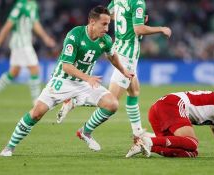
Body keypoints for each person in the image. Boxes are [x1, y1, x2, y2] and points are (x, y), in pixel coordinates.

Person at [0, 5, 133, 157]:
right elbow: (67, 66)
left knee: (112, 104)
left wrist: (123, 70)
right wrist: (88, 77)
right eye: (104, 24)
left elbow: (112, 56)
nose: (107, 28)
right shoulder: (75, 34)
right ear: (92, 22)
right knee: (37, 113)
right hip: (63, 80)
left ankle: (85, 131)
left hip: (84, 84)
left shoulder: (106, 40)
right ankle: (9, 147)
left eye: (108, 24)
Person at [57, 0, 172, 140]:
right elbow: (139, 29)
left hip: (120, 49)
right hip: (127, 55)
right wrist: (161, 29)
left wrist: (131, 18)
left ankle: (137, 132)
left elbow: (110, 15)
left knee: (134, 91)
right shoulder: (138, 2)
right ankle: (79, 113)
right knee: (110, 101)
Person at [126, 90, 214, 158]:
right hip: (173, 104)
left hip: (158, 108)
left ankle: (143, 142)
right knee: (192, 142)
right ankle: (150, 140)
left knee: (189, 153)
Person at [0, 0, 56, 104]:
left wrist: (46, 38)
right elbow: (8, 24)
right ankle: (37, 101)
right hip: (21, 43)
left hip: (25, 43)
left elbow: (35, 24)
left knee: (14, 72)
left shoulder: (33, 5)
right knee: (35, 69)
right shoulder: (21, 5)